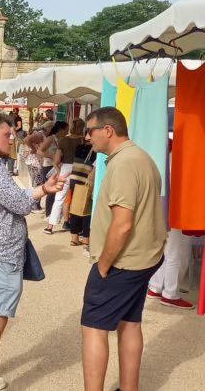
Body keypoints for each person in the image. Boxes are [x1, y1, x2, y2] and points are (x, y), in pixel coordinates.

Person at [0, 113, 66, 391]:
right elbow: (20, 204)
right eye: (8, 134)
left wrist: (39, 190)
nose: (13, 139)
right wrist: (43, 189)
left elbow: (13, 199)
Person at [80, 107, 167, 391]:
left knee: (94, 327)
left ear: (108, 130)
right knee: (129, 322)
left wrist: (104, 264)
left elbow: (122, 224)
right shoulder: (141, 157)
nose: (87, 137)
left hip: (123, 262)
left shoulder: (124, 163)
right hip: (142, 258)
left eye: (90, 130)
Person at [45, 119, 84, 234]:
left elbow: (56, 162)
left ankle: (50, 226)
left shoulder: (62, 141)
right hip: (80, 169)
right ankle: (78, 228)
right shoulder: (82, 141)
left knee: (59, 198)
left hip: (65, 169)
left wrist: (59, 172)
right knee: (79, 198)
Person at [37, 121, 68, 227]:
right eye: (66, 130)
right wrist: (53, 156)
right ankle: (49, 214)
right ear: (61, 130)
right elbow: (40, 151)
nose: (67, 132)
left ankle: (53, 215)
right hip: (49, 166)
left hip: (56, 166)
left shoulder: (62, 140)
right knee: (51, 191)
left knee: (56, 190)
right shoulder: (51, 139)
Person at [68, 139, 97, 248]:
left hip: (74, 178)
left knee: (75, 208)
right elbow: (94, 169)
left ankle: (74, 239)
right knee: (87, 210)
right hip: (85, 181)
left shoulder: (79, 147)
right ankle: (86, 239)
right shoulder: (96, 151)